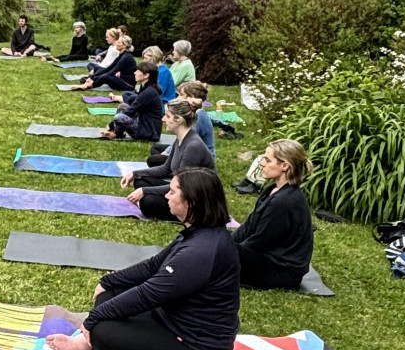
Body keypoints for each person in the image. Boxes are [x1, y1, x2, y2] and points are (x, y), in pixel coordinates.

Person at [45, 168, 239, 350]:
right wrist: (108, 281)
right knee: (111, 292)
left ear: (190, 202)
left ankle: (89, 340)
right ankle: (92, 335)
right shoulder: (198, 232)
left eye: (172, 192)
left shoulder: (202, 250)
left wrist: (93, 319)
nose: (166, 195)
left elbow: (148, 294)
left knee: (102, 330)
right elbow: (153, 265)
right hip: (169, 319)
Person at [232, 139, 316, 291]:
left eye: (267, 160)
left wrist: (227, 252)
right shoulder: (272, 189)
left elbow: (260, 241)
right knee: (212, 237)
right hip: (267, 258)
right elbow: (248, 227)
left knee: (214, 250)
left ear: (284, 166)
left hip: (281, 271)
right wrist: (226, 241)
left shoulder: (284, 202)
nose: (262, 163)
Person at [120, 100, 216, 221]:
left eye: (168, 116)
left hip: (197, 201)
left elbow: (183, 186)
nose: (163, 119)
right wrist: (134, 174)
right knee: (140, 181)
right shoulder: (182, 138)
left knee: (147, 201)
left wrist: (144, 191)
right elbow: (166, 168)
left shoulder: (193, 146)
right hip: (183, 192)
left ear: (179, 120)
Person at [145, 80, 215, 166]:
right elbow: (179, 141)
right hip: (186, 150)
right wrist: (167, 151)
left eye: (181, 95)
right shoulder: (193, 113)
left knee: (153, 160)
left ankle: (169, 169)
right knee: (156, 148)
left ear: (191, 97)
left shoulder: (197, 118)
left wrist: (168, 154)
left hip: (197, 159)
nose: (178, 98)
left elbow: (187, 143)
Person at [101, 61, 163, 141]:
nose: (135, 73)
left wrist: (111, 125)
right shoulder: (146, 88)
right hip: (145, 125)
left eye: (138, 71)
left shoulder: (149, 92)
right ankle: (117, 133)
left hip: (149, 132)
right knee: (123, 106)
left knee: (119, 116)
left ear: (146, 75)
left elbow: (131, 111)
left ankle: (114, 132)